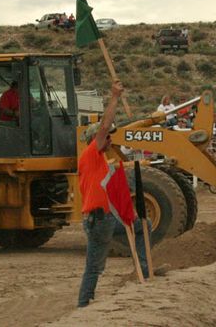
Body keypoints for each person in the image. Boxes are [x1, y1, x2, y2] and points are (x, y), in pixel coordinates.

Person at [77, 80, 156, 308]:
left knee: (142, 225)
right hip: (99, 219)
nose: (110, 139)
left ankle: (144, 269)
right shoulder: (91, 153)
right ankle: (83, 304)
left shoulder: (100, 159)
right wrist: (114, 98)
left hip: (107, 219)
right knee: (94, 266)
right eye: (107, 138)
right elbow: (104, 126)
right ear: (96, 141)